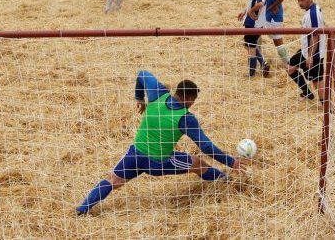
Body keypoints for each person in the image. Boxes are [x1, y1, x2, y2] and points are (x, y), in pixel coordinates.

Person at [75, 71, 243, 215]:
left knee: (113, 181)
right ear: (189, 98)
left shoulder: (158, 93)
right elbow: (205, 146)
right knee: (198, 163)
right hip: (158, 162)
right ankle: (229, 182)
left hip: (135, 154)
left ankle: (82, 208)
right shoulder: (186, 118)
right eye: (193, 100)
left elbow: (142, 73)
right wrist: (231, 161)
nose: (192, 104)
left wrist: (139, 98)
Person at [287, 0, 327, 101]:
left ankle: (327, 109)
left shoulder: (313, 14)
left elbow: (315, 36)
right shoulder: (313, 9)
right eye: (298, 0)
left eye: (302, 0)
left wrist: (310, 56)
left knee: (317, 81)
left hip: (314, 55)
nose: (300, 3)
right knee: (290, 68)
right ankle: (307, 92)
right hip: (305, 51)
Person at [238, 0, 269, 77]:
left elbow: (260, 3)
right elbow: (253, 1)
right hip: (258, 21)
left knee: (250, 47)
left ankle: (251, 75)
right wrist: (245, 11)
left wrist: (250, 12)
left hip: (253, 22)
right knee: (248, 45)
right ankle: (263, 63)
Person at [260, 0, 289, 65]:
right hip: (269, 17)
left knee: (278, 43)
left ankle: (288, 65)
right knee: (255, 34)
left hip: (274, 18)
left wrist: (273, 6)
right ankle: (262, 61)